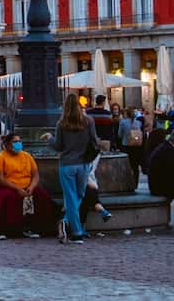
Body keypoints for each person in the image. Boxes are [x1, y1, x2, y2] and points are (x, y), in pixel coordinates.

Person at [0, 133, 56, 240]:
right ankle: (4, 230)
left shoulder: (27, 156)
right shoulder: (0, 158)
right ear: (7, 144)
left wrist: (32, 187)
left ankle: (35, 228)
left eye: (19, 141)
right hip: (7, 186)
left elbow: (35, 175)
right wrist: (17, 188)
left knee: (43, 197)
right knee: (10, 198)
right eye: (15, 142)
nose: (18, 144)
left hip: (27, 186)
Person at [53, 94, 99, 243]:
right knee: (79, 195)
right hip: (84, 164)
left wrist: (49, 139)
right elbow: (94, 141)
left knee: (72, 197)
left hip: (67, 164)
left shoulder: (61, 124)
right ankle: (75, 227)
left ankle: (74, 229)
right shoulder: (88, 121)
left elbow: (58, 146)